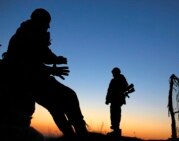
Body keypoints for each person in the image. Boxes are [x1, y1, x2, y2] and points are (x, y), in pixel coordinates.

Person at [4, 8, 88, 140]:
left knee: (57, 107)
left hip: (36, 79)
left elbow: (43, 53)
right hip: (26, 82)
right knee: (68, 97)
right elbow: (24, 65)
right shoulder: (23, 37)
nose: (48, 26)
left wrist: (55, 59)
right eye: (47, 23)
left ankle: (74, 136)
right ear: (39, 21)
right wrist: (51, 70)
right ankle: (81, 136)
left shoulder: (34, 34)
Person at [105, 67, 129, 137]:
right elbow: (109, 90)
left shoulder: (121, 79)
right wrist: (107, 99)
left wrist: (108, 98)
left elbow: (124, 87)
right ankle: (115, 129)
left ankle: (116, 130)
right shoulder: (113, 80)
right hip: (114, 99)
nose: (112, 74)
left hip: (118, 99)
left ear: (116, 72)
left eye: (113, 73)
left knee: (116, 114)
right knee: (113, 114)